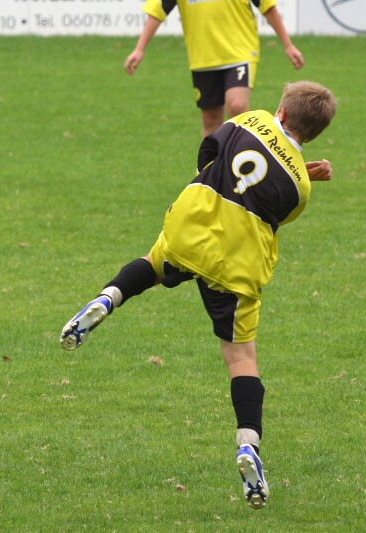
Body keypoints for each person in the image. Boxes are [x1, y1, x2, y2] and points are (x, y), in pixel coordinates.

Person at [60, 81, 336, 509]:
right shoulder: (302, 188)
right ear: (315, 134)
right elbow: (274, 207)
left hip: (191, 226)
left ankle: (107, 298)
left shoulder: (253, 120)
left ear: (281, 112)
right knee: (241, 358)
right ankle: (248, 445)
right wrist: (303, 170)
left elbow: (209, 150)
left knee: (154, 263)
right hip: (236, 265)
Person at [124, 0, 305, 138]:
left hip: (240, 52)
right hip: (203, 57)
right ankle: (209, 172)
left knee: (237, 106)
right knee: (210, 119)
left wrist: (288, 45)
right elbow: (158, 10)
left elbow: (267, 6)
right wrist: (140, 48)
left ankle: (241, 165)